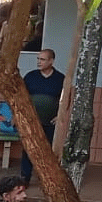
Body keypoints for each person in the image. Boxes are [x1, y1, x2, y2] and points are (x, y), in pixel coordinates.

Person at [22, 50, 65, 181]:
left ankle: (48, 178)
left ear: (51, 61)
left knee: (50, 150)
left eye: (42, 59)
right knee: (28, 148)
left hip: (51, 122)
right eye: (38, 59)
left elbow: (65, 100)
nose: (38, 62)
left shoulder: (60, 78)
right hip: (32, 121)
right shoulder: (30, 77)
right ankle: (25, 176)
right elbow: (21, 97)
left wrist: (60, 116)